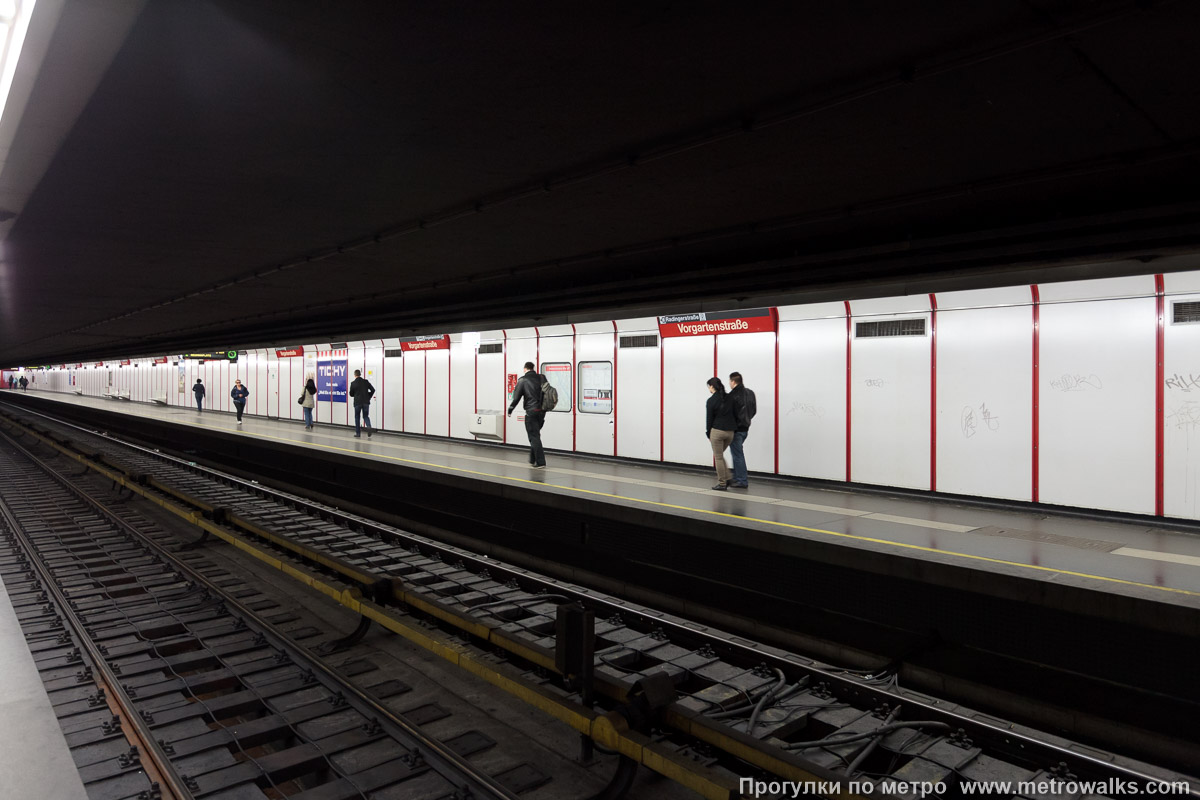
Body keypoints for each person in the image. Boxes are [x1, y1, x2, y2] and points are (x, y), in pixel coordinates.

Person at [507, 361, 546, 468]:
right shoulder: (542, 377)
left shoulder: (523, 380)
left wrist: (510, 409)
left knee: (533, 436)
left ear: (525, 369)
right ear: (533, 368)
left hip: (531, 411)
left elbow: (516, 398)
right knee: (535, 435)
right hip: (542, 412)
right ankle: (532, 459)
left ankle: (541, 461)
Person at [706, 377, 737, 490]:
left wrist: (708, 433)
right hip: (730, 432)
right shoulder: (730, 397)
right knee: (720, 455)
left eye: (709, 386)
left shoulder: (711, 401)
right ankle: (728, 478)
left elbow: (709, 419)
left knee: (718, 457)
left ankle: (722, 483)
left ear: (712, 386)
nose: (709, 388)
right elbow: (736, 413)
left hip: (717, 431)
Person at [727, 371, 757, 489]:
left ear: (733, 381)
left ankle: (741, 480)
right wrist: (747, 420)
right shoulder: (750, 393)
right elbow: (753, 410)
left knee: (737, 454)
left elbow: (730, 414)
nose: (729, 383)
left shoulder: (732, 395)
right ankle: (738, 477)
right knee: (737, 453)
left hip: (736, 429)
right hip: (745, 428)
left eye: (730, 381)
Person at [348, 369, 375, 438]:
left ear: (355, 375)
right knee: (365, 416)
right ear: (360, 374)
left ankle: (358, 433)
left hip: (357, 403)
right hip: (366, 402)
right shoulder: (366, 382)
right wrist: (369, 396)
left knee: (357, 417)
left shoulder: (353, 383)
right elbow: (373, 390)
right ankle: (368, 426)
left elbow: (351, 394)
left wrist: (355, 394)